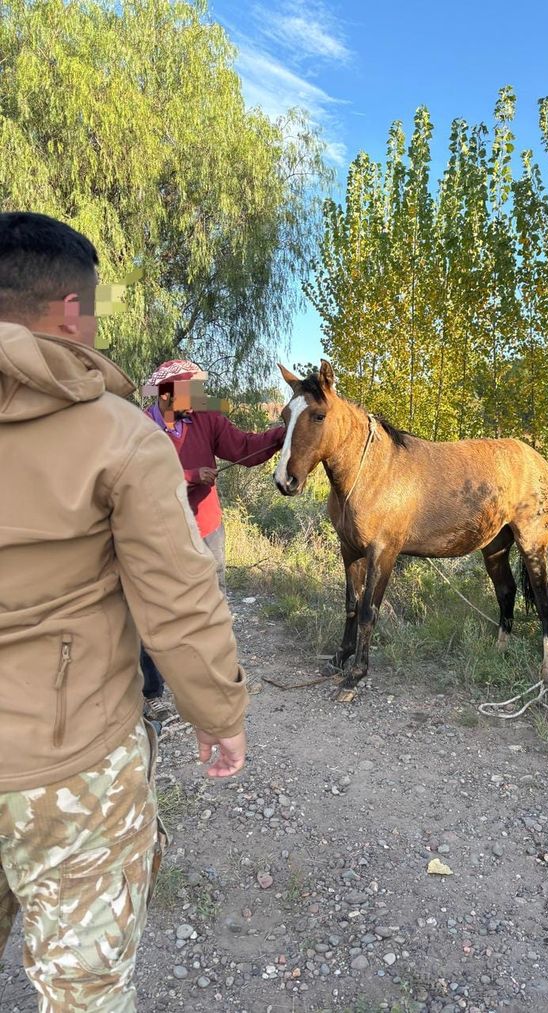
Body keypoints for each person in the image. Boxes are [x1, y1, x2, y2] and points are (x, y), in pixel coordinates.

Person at [0, 211, 249, 1011]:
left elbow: (237, 446)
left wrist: (281, 435)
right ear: (71, 312)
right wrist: (219, 710)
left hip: (196, 527)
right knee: (84, 995)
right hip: (66, 764)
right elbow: (177, 600)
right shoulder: (122, 431)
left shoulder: (188, 423)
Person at [139, 359, 285, 723]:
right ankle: (153, 693)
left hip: (205, 527)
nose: (201, 397)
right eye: (194, 390)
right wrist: (189, 475)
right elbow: (136, 477)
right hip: (154, 532)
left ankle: (215, 681)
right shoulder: (140, 426)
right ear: (169, 392)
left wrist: (286, 432)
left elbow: (244, 447)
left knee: (211, 607)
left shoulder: (206, 417)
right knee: (153, 612)